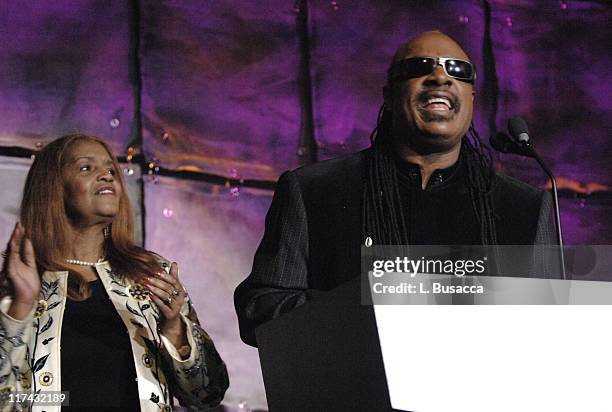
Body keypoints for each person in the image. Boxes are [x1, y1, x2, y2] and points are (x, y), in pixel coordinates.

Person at [234, 31, 554, 347]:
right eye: (420, 67)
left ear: (472, 99)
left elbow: (549, 332)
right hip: (351, 393)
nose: (440, 76)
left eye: (458, 70)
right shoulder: (313, 190)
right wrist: (364, 308)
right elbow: (259, 311)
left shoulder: (524, 207)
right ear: (388, 96)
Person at [0, 134, 229, 411]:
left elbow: (207, 395)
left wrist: (175, 330)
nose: (107, 176)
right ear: (53, 187)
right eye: (86, 168)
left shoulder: (150, 275)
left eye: (111, 170)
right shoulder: (16, 277)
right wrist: (20, 307)